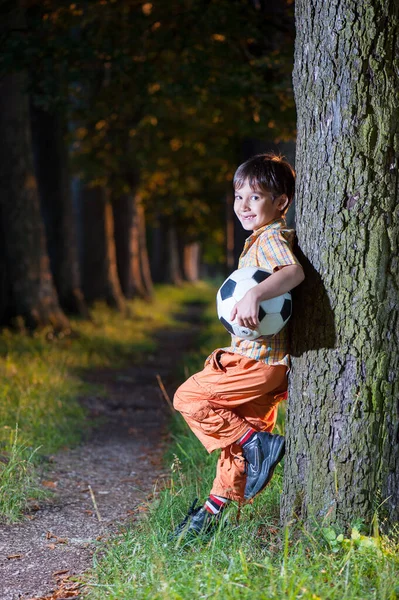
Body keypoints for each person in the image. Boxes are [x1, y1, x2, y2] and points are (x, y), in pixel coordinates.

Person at [172, 153, 305, 538]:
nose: (244, 206)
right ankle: (210, 519)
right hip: (267, 366)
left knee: (189, 398)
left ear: (281, 203)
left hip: (255, 363)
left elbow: (292, 272)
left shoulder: (271, 238)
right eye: (238, 196)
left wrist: (255, 295)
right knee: (233, 443)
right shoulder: (259, 241)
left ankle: (257, 443)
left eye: (256, 197)